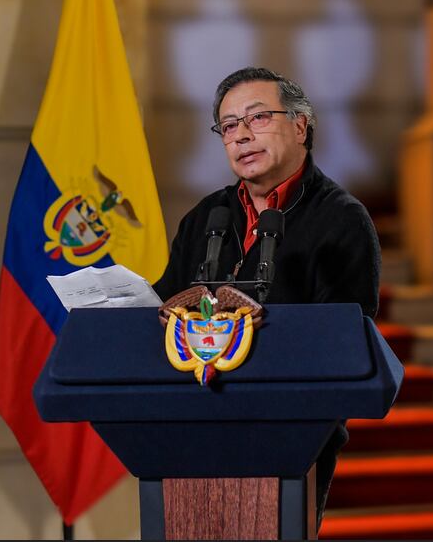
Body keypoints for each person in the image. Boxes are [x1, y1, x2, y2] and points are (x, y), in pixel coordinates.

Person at [153, 66, 381, 527]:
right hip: (191, 430)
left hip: (292, 438)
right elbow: (164, 305)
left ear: (300, 126)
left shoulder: (342, 221)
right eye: (229, 126)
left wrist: (263, 326)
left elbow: (345, 345)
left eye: (257, 118)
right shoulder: (205, 218)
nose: (241, 136)